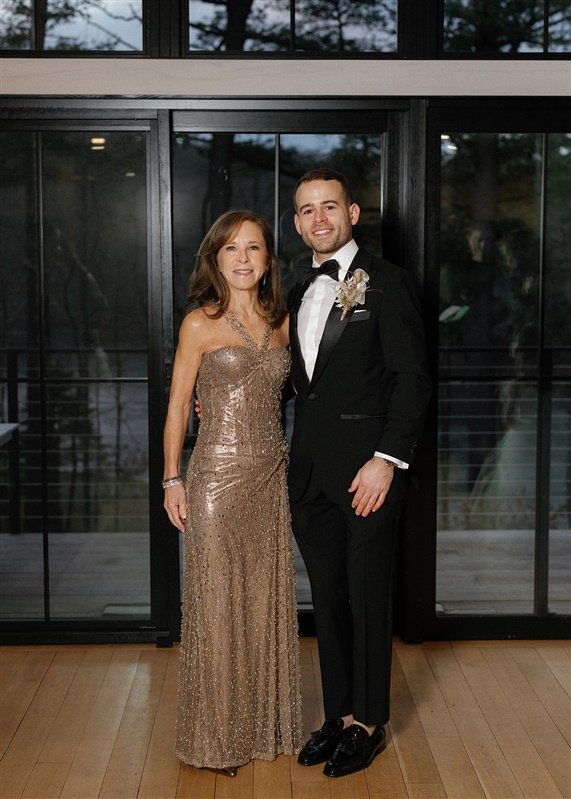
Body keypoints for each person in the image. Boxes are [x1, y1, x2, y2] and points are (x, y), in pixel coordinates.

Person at [288, 168, 431, 778]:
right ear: (296, 224)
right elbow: (302, 387)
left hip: (370, 473)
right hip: (310, 475)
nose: (318, 219)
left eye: (329, 207)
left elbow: (413, 379)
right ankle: (338, 713)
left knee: (369, 597)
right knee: (328, 599)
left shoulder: (389, 284)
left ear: (352, 213)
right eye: (305, 210)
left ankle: (370, 721)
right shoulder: (297, 289)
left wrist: (387, 460)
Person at [163, 210, 303, 777]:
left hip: (271, 479)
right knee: (217, 608)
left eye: (254, 248)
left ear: (268, 259)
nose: (243, 258)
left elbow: (296, 390)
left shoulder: (282, 321)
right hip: (216, 481)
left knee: (265, 602)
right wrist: (172, 478)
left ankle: (262, 724)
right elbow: (177, 405)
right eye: (231, 249)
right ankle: (215, 737)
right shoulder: (200, 323)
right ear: (216, 259)